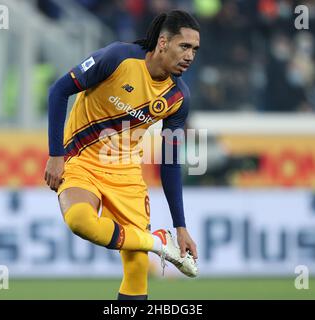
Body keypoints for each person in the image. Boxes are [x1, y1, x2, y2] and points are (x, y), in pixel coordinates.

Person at [44, 10, 200, 300]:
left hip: (126, 174)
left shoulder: (178, 98)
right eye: (184, 46)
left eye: (194, 49)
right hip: (82, 159)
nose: (190, 56)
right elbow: (58, 91)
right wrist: (55, 155)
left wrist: (180, 226)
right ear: (163, 43)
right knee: (80, 221)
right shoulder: (118, 58)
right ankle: (155, 242)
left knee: (137, 270)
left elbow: (170, 161)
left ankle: (155, 243)